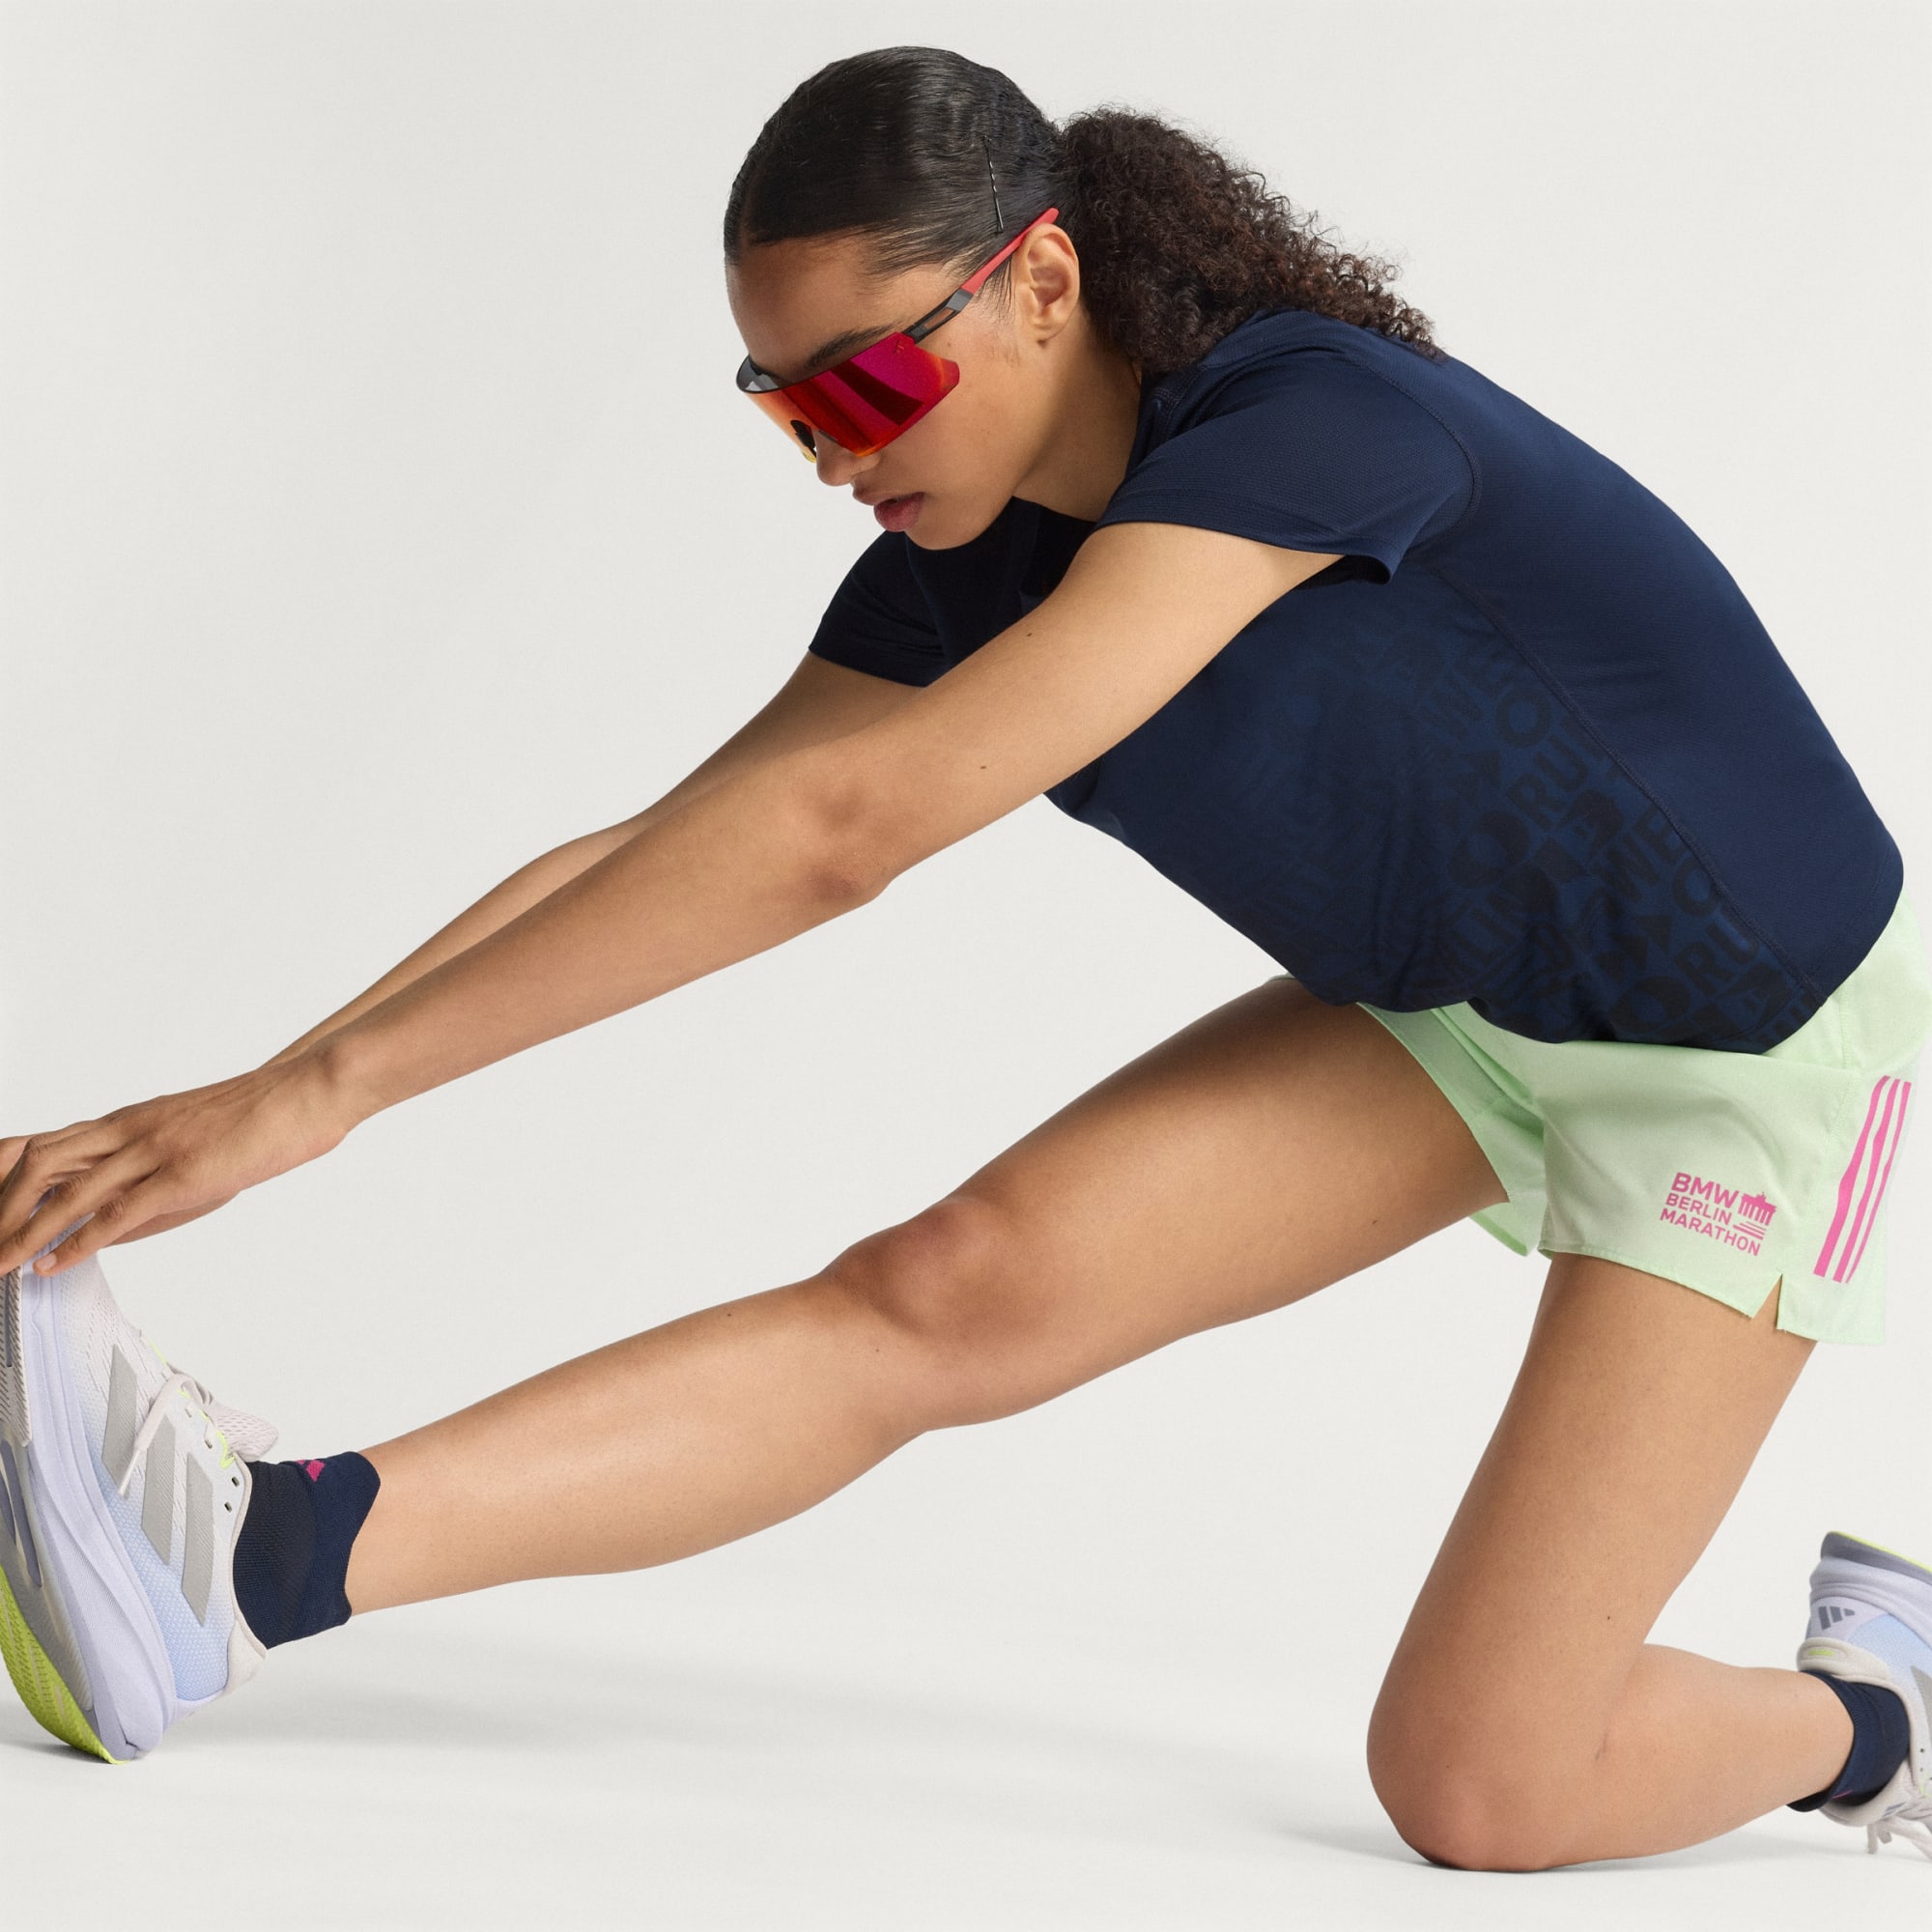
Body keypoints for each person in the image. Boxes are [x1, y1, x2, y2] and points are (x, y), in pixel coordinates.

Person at [0, 43, 1928, 1871]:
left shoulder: (1315, 427)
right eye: (785, 407)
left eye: (863, 387)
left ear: (1042, 281)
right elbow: (666, 852)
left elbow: (844, 834)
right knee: (941, 1296)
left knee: (1481, 1781)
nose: (830, 458)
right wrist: (270, 1087)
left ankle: (1881, 1716)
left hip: (1754, 1050)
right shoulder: (963, 559)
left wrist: (324, 1103)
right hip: (1462, 1006)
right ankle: (244, 1562)